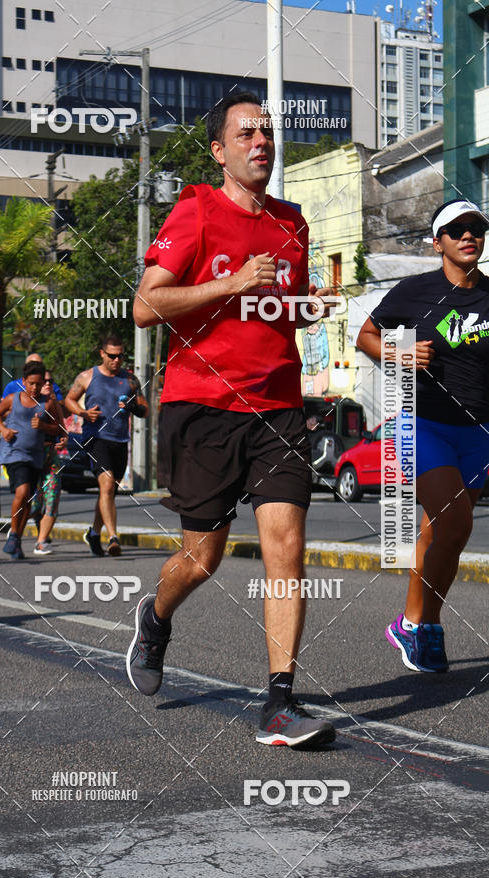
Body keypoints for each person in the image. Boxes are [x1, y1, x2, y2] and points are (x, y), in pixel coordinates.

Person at [126, 91, 337, 748]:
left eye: (268, 134)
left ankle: (279, 702)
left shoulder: (292, 225)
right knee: (202, 556)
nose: (261, 143)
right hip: (202, 407)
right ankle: (156, 618)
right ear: (220, 150)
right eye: (246, 134)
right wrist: (229, 283)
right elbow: (144, 308)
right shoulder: (195, 211)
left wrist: (308, 309)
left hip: (276, 406)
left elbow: (281, 309)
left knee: (287, 550)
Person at [357, 198, 489, 673]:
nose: (468, 235)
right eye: (457, 230)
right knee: (456, 524)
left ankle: (415, 624)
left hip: (478, 431)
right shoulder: (416, 291)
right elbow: (367, 336)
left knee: (441, 533)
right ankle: (421, 624)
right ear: (438, 243)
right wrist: (398, 353)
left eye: (476, 228)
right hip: (424, 424)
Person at [65, 333, 148, 557]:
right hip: (95, 439)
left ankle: (93, 532)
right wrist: (82, 412)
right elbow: (69, 400)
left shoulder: (131, 380)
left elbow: (145, 410)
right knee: (108, 485)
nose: (116, 360)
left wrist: (132, 407)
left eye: (121, 356)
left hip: (120, 441)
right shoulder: (87, 376)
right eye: (112, 356)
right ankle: (113, 537)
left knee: (107, 492)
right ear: (102, 353)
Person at [0, 360, 60, 559]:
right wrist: (4, 429)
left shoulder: (48, 403)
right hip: (13, 453)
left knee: (28, 502)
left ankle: (17, 542)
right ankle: (13, 534)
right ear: (24, 381)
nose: (35, 387)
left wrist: (43, 426)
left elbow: (58, 427)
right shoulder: (13, 398)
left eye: (38, 384)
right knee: (22, 492)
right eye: (31, 383)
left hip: (35, 456)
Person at [30, 370, 67, 555]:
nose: (47, 384)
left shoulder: (53, 404)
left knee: (52, 499)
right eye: (43, 381)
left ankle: (41, 541)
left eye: (50, 381)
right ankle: (39, 526)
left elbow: (62, 431)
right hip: (31, 459)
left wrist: (63, 439)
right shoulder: (24, 402)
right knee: (34, 506)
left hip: (50, 457)